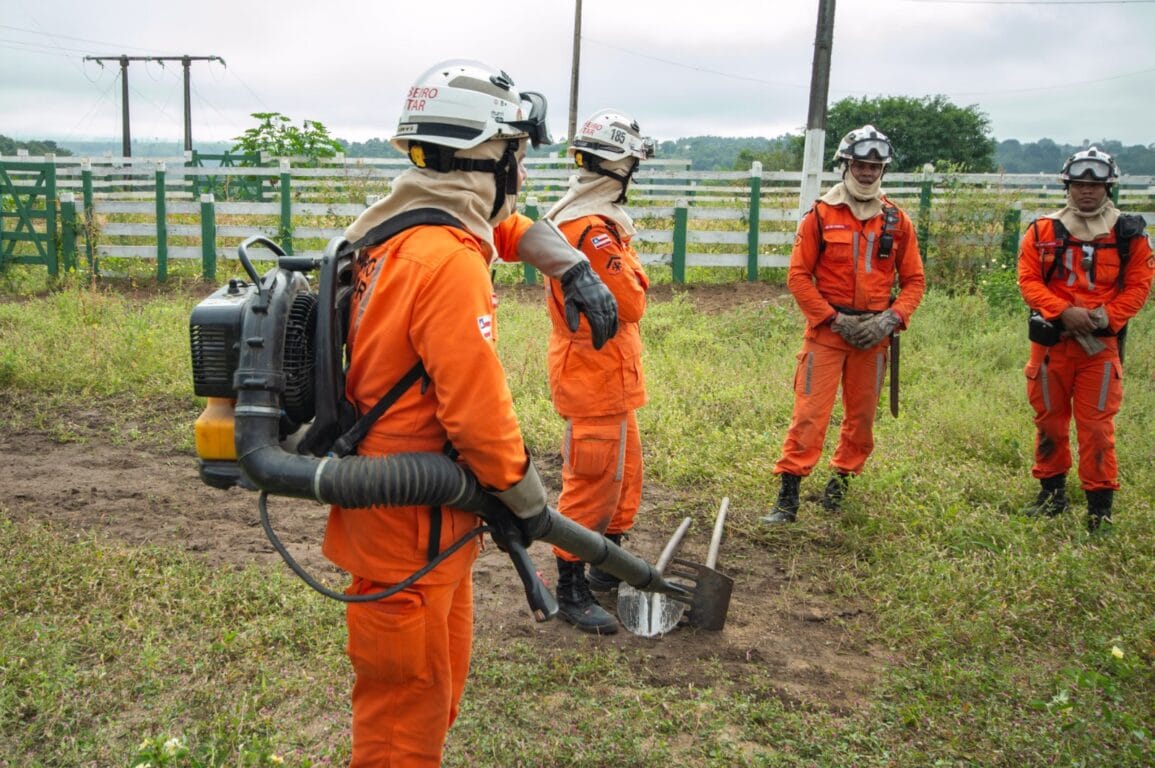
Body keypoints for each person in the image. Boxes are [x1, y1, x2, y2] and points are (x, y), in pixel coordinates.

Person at [321, 59, 617, 767]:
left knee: (433, 697)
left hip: (430, 521)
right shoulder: (444, 259)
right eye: (515, 150)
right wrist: (526, 498)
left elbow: (504, 228)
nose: (520, 169)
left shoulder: (402, 225)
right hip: (408, 526)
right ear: (489, 151)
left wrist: (569, 264)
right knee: (404, 719)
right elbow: (478, 417)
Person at [763, 125, 926, 524]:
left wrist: (891, 318)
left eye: (875, 166)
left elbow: (915, 281)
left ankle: (842, 483)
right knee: (809, 413)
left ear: (883, 170)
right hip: (827, 334)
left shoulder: (897, 220)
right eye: (861, 164)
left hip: (874, 336)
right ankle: (788, 495)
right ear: (846, 165)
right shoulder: (820, 216)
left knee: (862, 417)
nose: (868, 173)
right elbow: (798, 277)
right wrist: (833, 319)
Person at [540, 109, 655, 634]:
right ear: (616, 166)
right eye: (631, 159)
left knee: (623, 478)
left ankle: (609, 563)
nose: (634, 169)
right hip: (592, 374)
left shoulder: (600, 222)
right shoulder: (591, 229)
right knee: (590, 482)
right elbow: (630, 301)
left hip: (610, 372)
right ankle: (570, 586)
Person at [1017, 146, 1153, 533]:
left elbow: (1140, 285)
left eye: (1095, 184)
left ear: (1108, 187)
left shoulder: (1129, 233)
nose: (1087, 191)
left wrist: (1105, 317)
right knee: (1050, 422)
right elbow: (1028, 279)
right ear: (1068, 186)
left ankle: (1099, 506)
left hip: (1099, 348)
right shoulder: (1043, 230)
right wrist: (1063, 311)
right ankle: (1051, 494)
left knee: (1096, 427)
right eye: (1079, 184)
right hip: (1051, 346)